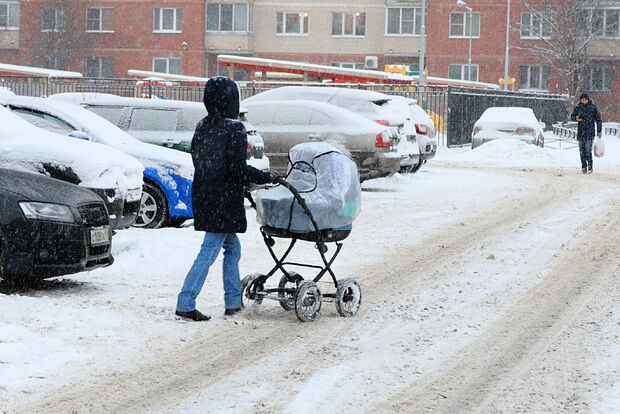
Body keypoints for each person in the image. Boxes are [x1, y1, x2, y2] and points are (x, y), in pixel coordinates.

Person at [175, 76, 278, 322]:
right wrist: (266, 176)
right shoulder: (233, 128)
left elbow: (202, 161)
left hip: (205, 194)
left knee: (231, 248)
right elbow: (237, 169)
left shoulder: (203, 125)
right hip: (223, 199)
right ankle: (186, 302)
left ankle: (233, 301)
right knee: (210, 250)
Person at [570, 93, 602, 174]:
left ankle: (590, 167)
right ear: (580, 100)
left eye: (585, 99)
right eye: (582, 100)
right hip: (581, 132)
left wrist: (599, 130)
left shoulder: (592, 108)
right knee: (582, 151)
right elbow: (572, 116)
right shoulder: (578, 107)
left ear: (588, 100)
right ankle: (583, 167)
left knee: (588, 150)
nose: (584, 101)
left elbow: (598, 119)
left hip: (589, 132)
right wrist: (576, 118)